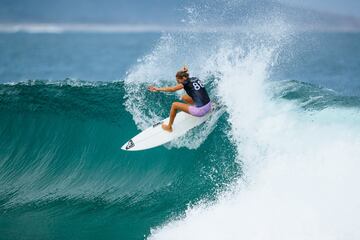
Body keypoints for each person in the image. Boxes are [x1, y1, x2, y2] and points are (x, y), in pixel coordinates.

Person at [148, 66, 211, 132]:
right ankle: (195, 107)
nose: (178, 82)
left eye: (178, 80)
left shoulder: (185, 83)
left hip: (201, 111)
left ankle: (169, 127)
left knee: (174, 105)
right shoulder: (195, 78)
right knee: (184, 97)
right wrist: (183, 72)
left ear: (183, 78)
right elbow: (184, 76)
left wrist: (158, 89)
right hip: (209, 105)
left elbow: (172, 89)